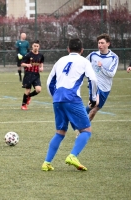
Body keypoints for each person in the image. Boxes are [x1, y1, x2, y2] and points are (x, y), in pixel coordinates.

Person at [42, 38, 98, 171]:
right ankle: (73, 156)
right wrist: (93, 98)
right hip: (72, 98)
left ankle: (47, 162)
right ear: (82, 50)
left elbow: (49, 82)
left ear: (68, 49)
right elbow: (93, 80)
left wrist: (55, 97)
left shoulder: (60, 60)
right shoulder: (84, 61)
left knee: (60, 132)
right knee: (86, 130)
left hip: (58, 99)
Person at [85, 33, 119, 121]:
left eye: (102, 43)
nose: (100, 45)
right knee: (95, 102)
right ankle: (80, 116)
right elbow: (83, 63)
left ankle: (83, 129)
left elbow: (111, 74)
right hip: (94, 83)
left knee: (93, 111)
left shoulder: (113, 57)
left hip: (106, 87)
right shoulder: (93, 55)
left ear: (108, 44)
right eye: (99, 43)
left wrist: (101, 67)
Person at [20, 40, 44, 110]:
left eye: (37, 46)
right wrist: (27, 65)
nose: (36, 47)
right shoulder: (28, 55)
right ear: (32, 46)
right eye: (34, 46)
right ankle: (23, 105)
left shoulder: (41, 55)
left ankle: (29, 96)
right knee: (27, 90)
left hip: (36, 75)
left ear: (39, 47)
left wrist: (41, 67)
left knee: (38, 90)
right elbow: (22, 64)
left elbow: (41, 62)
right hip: (28, 75)